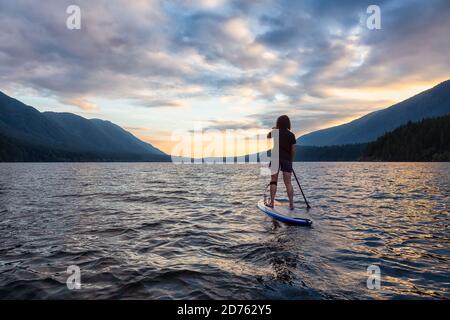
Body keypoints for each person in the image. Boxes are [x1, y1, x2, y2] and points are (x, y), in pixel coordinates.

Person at [267, 115, 296, 210]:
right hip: (287, 159)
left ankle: (271, 203)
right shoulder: (291, 135)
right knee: (288, 182)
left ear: (278, 123)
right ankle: (291, 204)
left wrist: (274, 129)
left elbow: (268, 136)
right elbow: (293, 150)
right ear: (288, 123)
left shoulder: (275, 132)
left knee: (273, 181)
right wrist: (291, 161)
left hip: (275, 158)